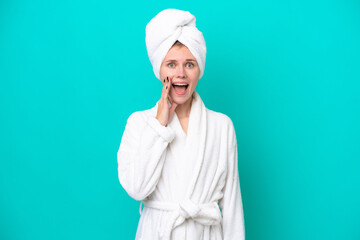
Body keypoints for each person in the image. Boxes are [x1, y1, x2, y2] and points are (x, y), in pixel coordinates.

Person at [117, 9, 245, 240]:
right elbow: (136, 188)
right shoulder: (139, 123)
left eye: (189, 64)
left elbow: (233, 204)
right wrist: (160, 125)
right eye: (171, 64)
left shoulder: (221, 126)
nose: (180, 74)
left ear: (199, 71)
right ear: (159, 70)